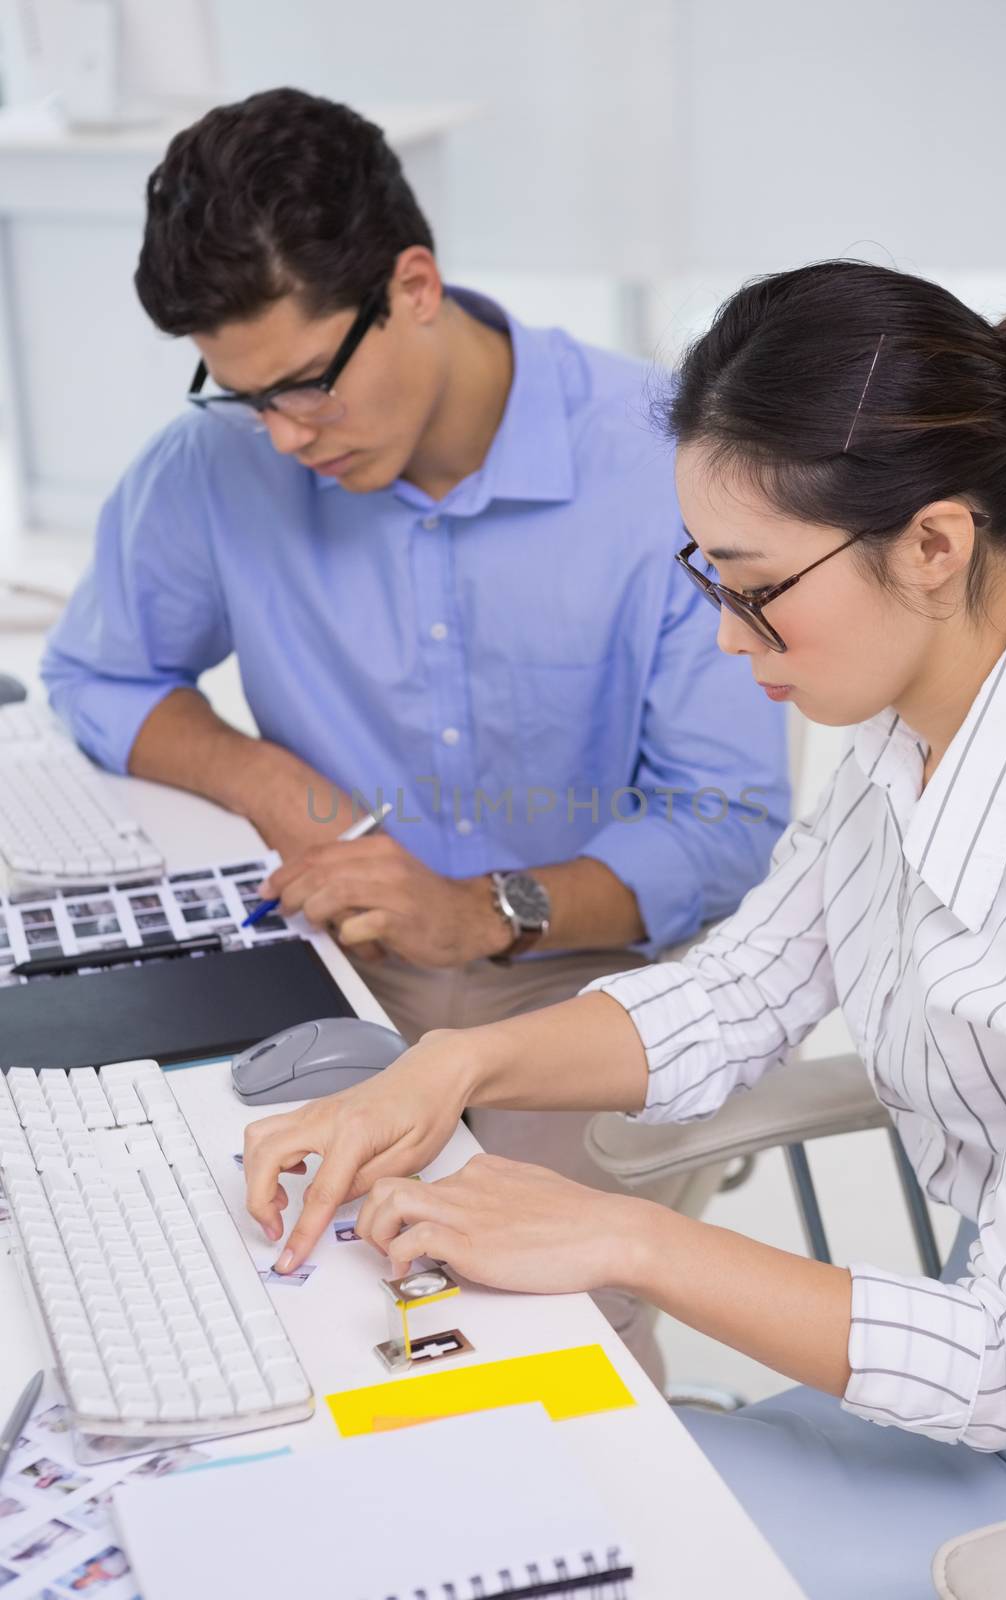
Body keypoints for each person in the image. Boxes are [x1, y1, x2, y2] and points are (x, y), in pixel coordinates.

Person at [242, 260, 1006, 1598]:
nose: (730, 639)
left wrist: (630, 1239)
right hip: (992, 1397)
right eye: (706, 574)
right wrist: (449, 1068)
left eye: (756, 587)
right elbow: (740, 992)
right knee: (474, 1469)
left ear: (933, 543)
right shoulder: (913, 731)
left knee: (513, 1531)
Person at [39, 88, 788, 1378]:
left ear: (416, 285)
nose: (284, 436)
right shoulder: (218, 463)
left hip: (585, 978)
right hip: (337, 959)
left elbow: (724, 825)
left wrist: (487, 910)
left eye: (308, 385)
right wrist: (273, 782)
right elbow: (102, 675)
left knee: (518, 1337)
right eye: (244, 394)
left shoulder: (666, 460)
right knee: (225, 1276)